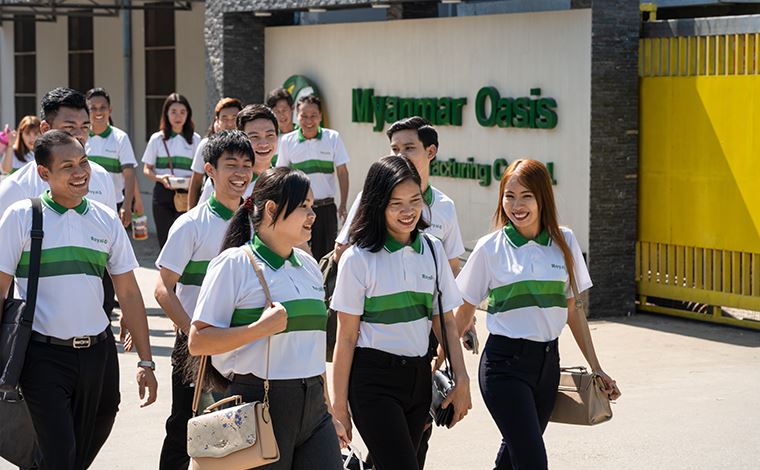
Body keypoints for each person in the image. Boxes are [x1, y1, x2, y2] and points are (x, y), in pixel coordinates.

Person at [0, 131, 158, 470]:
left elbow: (129, 292)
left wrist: (146, 362)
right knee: (59, 455)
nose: (80, 172)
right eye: (68, 166)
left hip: (99, 354)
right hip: (42, 355)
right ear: (44, 173)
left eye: (83, 162)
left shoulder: (105, 219)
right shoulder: (21, 217)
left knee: (91, 435)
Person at [454, 159, 622, 470]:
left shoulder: (564, 241)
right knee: (532, 461)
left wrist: (597, 367)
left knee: (514, 457)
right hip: (504, 367)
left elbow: (573, 312)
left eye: (526, 196)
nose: (516, 206)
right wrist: (440, 367)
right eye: (509, 196)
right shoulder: (490, 248)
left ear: (542, 197)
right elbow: (462, 314)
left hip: (547, 366)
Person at [188, 167, 348, 470]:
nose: (312, 214)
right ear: (272, 209)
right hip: (258, 404)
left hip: (314, 408)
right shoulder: (234, 264)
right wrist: (258, 329)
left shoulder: (309, 267)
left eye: (312, 205)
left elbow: (311, 351)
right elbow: (198, 342)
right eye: (304, 206)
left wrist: (327, 410)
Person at [330, 155, 472, 470]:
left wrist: (462, 379)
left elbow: (446, 323)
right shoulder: (357, 258)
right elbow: (346, 337)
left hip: (419, 379)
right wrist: (339, 407)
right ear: (377, 203)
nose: (408, 211)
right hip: (373, 382)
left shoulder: (433, 249)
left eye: (415, 201)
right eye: (396, 204)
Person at [154, 130, 254, 469]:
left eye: (246, 165)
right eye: (231, 165)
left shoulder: (257, 222)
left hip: (244, 342)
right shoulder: (191, 224)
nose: (240, 173)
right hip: (196, 344)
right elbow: (162, 288)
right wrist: (194, 335)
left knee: (237, 429)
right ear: (210, 169)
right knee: (186, 427)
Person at [0, 88, 118, 217]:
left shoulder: (102, 177)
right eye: (69, 127)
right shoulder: (15, 189)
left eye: (85, 127)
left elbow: (111, 227)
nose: (79, 135)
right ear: (45, 129)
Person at [276, 95, 349, 260]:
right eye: (304, 116)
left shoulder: (333, 138)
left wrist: (343, 203)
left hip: (326, 208)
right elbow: (281, 174)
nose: (309, 121)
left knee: (327, 255)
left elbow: (342, 172)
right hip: (298, 208)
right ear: (297, 116)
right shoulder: (287, 141)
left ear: (320, 116)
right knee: (299, 254)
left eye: (313, 115)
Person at [142, 92, 201, 248]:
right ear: (166, 114)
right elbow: (147, 169)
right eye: (173, 112)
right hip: (163, 192)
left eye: (182, 112)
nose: (178, 116)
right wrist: (160, 178)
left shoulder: (195, 139)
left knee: (184, 241)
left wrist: (192, 180)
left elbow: (201, 171)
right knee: (165, 240)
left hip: (188, 193)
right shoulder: (157, 139)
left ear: (188, 114)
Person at [196, 104, 278, 206]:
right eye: (254, 136)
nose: (263, 144)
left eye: (270, 135)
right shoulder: (220, 181)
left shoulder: (284, 181)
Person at [85, 87, 144, 228]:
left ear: (110, 110)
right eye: (93, 108)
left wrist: (127, 205)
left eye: (102, 107)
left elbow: (129, 175)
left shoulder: (120, 138)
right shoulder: (80, 137)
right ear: (86, 111)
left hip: (113, 205)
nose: (98, 112)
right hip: (84, 205)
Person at [188, 97, 243, 209]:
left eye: (234, 118)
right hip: (209, 207)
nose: (230, 123)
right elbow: (196, 182)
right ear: (217, 121)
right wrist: (190, 211)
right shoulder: (206, 145)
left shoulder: (249, 146)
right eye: (224, 118)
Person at [265, 87, 296, 166]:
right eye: (276, 111)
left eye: (284, 110)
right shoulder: (268, 138)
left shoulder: (303, 133)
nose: (281, 115)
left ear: (292, 108)